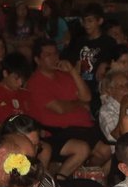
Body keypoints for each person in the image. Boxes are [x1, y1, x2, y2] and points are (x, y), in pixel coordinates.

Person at [26, 38, 109, 171]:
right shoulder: (36, 82)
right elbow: (60, 108)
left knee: (106, 151)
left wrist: (72, 71)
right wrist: (80, 103)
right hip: (58, 131)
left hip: (83, 127)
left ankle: (83, 174)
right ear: (37, 60)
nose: (54, 58)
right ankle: (61, 181)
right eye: (48, 55)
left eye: (55, 54)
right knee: (87, 149)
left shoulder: (64, 75)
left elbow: (87, 97)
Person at [64, 4, 117, 86]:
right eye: (84, 21)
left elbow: (114, 64)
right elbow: (73, 63)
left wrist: (106, 65)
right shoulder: (79, 42)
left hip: (100, 87)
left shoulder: (109, 42)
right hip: (81, 86)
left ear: (100, 21)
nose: (86, 25)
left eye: (90, 21)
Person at [98, 69, 128, 143]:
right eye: (121, 86)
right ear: (110, 91)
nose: (126, 89)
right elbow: (117, 135)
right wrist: (123, 108)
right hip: (126, 147)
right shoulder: (106, 110)